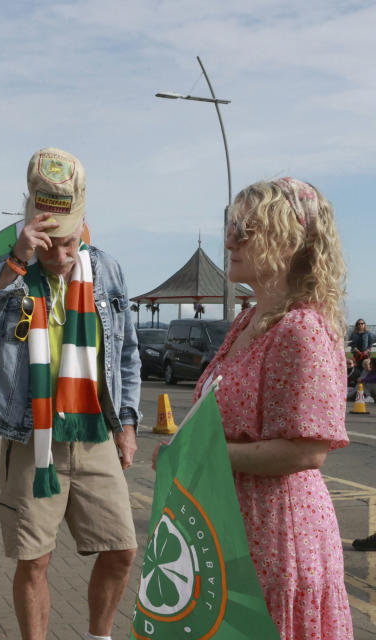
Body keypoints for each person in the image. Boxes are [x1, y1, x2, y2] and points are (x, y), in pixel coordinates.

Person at [0, 148, 139, 640]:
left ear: (83, 228)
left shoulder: (107, 270)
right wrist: (17, 260)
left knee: (122, 550)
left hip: (95, 431)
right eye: (46, 245)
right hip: (32, 436)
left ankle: (99, 637)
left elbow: (127, 354)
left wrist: (127, 424)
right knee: (35, 561)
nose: (59, 256)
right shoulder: (9, 267)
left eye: (68, 243)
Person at [172, 177, 353, 637]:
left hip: (276, 538)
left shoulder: (301, 329)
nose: (230, 238)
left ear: (288, 239)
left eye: (246, 228)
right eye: (230, 225)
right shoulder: (250, 320)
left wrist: (202, 455)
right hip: (235, 528)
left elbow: (305, 452)